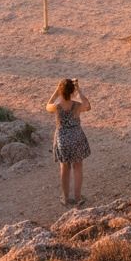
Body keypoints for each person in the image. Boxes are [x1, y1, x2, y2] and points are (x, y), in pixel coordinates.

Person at [46, 78, 92, 206]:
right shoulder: (76, 106)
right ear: (72, 91)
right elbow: (88, 106)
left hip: (62, 138)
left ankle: (65, 198)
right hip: (76, 137)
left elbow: (47, 105)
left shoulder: (57, 107)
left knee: (64, 167)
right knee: (78, 167)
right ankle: (78, 198)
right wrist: (79, 91)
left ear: (61, 91)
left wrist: (57, 91)